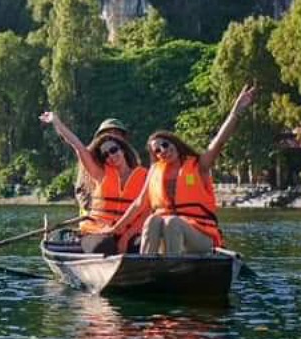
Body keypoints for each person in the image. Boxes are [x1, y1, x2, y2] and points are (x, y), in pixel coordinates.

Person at [102, 85, 258, 256]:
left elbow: (219, 142)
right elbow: (139, 204)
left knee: (172, 222)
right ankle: (146, 269)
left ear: (173, 143)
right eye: (157, 151)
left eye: (165, 145)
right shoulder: (155, 171)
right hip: (169, 235)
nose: (163, 150)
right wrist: (115, 229)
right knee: (153, 220)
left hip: (200, 237)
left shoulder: (199, 165)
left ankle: (173, 270)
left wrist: (235, 112)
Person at [41, 111, 146, 254]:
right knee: (105, 246)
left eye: (114, 150)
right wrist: (56, 121)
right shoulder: (100, 173)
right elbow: (77, 146)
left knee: (141, 245)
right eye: (106, 154)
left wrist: (125, 238)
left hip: (127, 231)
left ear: (123, 148)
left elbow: (146, 211)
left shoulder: (144, 175)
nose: (111, 156)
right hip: (97, 230)